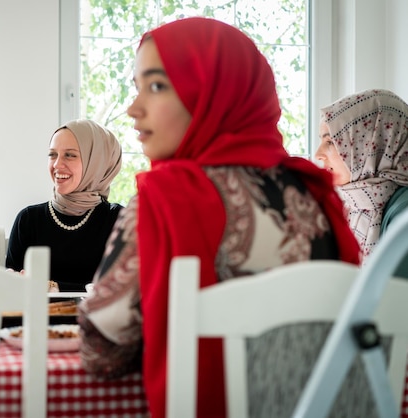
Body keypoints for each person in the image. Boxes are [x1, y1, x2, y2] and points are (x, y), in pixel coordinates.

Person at [77, 17, 361, 418]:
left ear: (214, 93)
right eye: (137, 88)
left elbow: (101, 352)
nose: (132, 108)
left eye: (156, 86)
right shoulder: (316, 193)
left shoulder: (164, 199)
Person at [5, 119, 123, 292]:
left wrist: (53, 287)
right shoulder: (28, 219)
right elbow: (10, 290)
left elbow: (118, 292)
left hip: (95, 320)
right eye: (52, 154)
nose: (57, 165)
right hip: (35, 319)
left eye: (70, 155)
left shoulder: (118, 220)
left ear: (96, 163)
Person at [315, 89, 408, 265]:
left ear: (371, 144)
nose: (318, 154)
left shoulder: (403, 213)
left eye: (330, 142)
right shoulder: (353, 204)